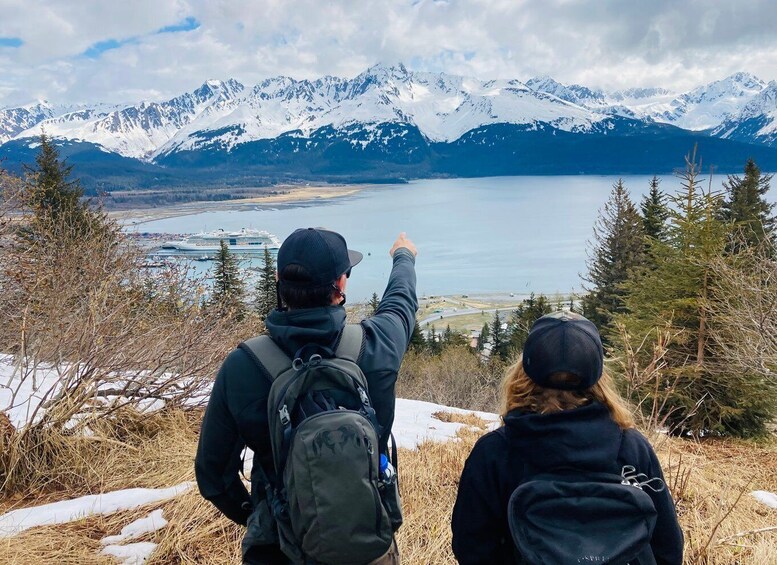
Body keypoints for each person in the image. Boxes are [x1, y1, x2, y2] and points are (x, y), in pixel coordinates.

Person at [195, 228, 418, 564]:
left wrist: (261, 514)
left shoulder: (244, 365)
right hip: (366, 542)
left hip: (279, 551)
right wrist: (404, 256)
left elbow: (212, 475)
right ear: (340, 285)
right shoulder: (376, 346)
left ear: (278, 281)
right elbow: (401, 304)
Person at [451, 311, 683, 564]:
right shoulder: (631, 446)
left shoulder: (495, 451)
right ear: (598, 376)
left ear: (524, 371)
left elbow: (471, 547)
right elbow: (668, 547)